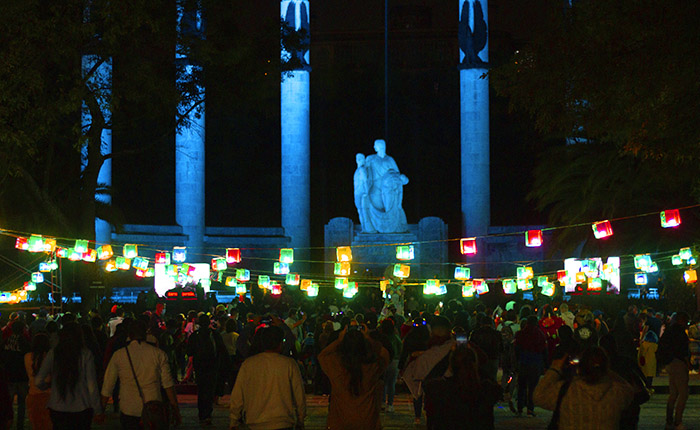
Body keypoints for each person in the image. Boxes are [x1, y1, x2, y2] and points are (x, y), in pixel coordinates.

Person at [101, 320, 181, 430]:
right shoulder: (158, 354)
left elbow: (108, 385)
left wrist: (101, 410)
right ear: (146, 333)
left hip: (129, 408)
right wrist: (175, 408)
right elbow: (168, 384)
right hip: (153, 407)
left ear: (129, 334)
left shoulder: (119, 355)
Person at [534, 346, 634, 430]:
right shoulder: (617, 392)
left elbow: (538, 396)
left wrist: (555, 369)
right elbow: (630, 391)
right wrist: (605, 370)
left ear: (580, 366)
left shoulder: (566, 391)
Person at [229, 325, 306, 430]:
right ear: (280, 343)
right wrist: (300, 419)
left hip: (255, 422)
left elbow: (238, 395)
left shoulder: (249, 364)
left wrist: (234, 420)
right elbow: (299, 394)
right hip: (282, 422)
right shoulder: (288, 364)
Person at [35, 322, 104, 430]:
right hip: (82, 407)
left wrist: (47, 385)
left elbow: (38, 380)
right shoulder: (85, 354)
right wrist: (97, 409)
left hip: (57, 407)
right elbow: (91, 384)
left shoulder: (53, 353)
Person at [318, 326, 389, 430]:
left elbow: (322, 355)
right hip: (367, 421)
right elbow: (384, 353)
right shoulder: (371, 367)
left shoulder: (336, 367)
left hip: (339, 422)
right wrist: (368, 337)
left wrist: (339, 340)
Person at [423, 344, 502, 430]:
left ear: (451, 365)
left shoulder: (438, 389)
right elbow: (496, 388)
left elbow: (431, 419)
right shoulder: (485, 390)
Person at [186, 314, 226, 425]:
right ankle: (207, 413)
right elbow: (221, 350)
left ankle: (202, 413)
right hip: (212, 366)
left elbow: (189, 351)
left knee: (202, 389)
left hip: (200, 366)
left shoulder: (195, 336)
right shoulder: (214, 334)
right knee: (209, 390)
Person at [362, 139, 409, 233]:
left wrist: (403, 179)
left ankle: (398, 226)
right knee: (373, 204)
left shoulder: (390, 160)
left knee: (393, 208)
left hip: (388, 189)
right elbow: (364, 171)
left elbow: (397, 174)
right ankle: (372, 227)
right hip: (375, 188)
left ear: (381, 146)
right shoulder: (371, 158)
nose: (374, 147)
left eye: (375, 145)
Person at [661, 311, 691, 430]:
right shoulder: (680, 333)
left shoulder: (668, 331)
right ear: (682, 321)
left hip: (669, 364)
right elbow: (683, 351)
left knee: (673, 393)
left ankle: (669, 419)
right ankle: (678, 421)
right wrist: (688, 363)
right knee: (683, 393)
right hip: (679, 364)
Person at [514, 315, 547, 417]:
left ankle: (520, 408)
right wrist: (545, 364)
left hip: (523, 362)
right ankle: (530, 409)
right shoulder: (540, 334)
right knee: (532, 387)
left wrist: (517, 361)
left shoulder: (520, 334)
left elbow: (517, 349)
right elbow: (544, 350)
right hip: (535, 363)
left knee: (521, 386)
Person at [2, 319, 30, 430]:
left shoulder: (6, 341)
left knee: (7, 404)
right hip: (22, 376)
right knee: (22, 404)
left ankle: (6, 424)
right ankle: (20, 426)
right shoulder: (24, 341)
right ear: (22, 330)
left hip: (9, 376)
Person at [24, 333, 52, 430]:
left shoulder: (27, 357)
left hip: (33, 395)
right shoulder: (50, 358)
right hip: (49, 396)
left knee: (36, 426)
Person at [378, 319, 402, 412]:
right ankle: (390, 404)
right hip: (394, 361)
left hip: (383, 360)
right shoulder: (395, 337)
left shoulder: (381, 337)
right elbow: (400, 348)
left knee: (383, 382)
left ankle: (383, 402)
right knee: (391, 383)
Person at [353, 153, 371, 232]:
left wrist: (367, 192)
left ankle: (366, 228)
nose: (358, 159)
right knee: (360, 211)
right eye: (357, 158)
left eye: (360, 158)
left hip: (362, 193)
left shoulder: (362, 169)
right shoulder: (358, 169)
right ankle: (364, 228)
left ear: (364, 160)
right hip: (357, 193)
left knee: (364, 211)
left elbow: (365, 181)